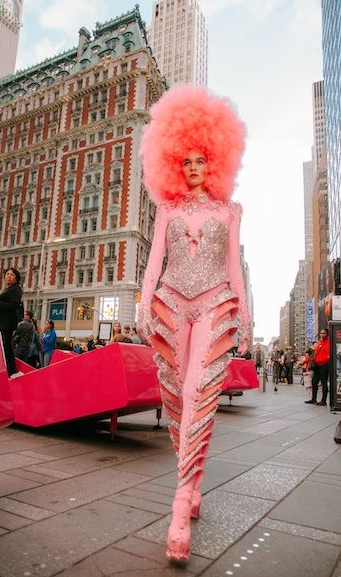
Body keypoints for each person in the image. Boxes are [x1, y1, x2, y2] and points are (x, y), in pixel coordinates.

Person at [137, 85, 249, 561]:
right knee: (176, 395)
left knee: (199, 390)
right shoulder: (166, 210)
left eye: (202, 160)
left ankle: (180, 504)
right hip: (172, 304)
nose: (194, 168)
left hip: (215, 304)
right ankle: (194, 482)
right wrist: (144, 304)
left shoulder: (230, 211)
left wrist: (244, 313)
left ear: (216, 162)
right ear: (176, 165)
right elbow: (154, 260)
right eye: (186, 162)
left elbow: (233, 268)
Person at [0, 268, 22, 377]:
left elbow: (13, 305)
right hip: (1, 322)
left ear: (16, 278)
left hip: (6, 324)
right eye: (7, 274)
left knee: (5, 348)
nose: (9, 276)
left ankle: (11, 371)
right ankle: (9, 371)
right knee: (5, 347)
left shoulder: (16, 289)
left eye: (12, 275)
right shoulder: (6, 290)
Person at [306, 328, 330, 405]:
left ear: (327, 334)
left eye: (324, 333)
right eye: (321, 333)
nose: (322, 334)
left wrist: (322, 360)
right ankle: (313, 399)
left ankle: (323, 401)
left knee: (324, 383)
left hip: (324, 366)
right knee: (314, 382)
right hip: (317, 366)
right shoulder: (319, 342)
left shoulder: (328, 343)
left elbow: (329, 355)